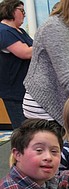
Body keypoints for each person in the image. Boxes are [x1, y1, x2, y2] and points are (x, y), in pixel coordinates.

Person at [0, 0, 33, 129]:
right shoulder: (4, 31)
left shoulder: (20, 31)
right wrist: (45, 44)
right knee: (23, 130)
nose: (24, 14)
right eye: (22, 11)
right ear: (11, 10)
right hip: (15, 91)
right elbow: (25, 52)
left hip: (25, 89)